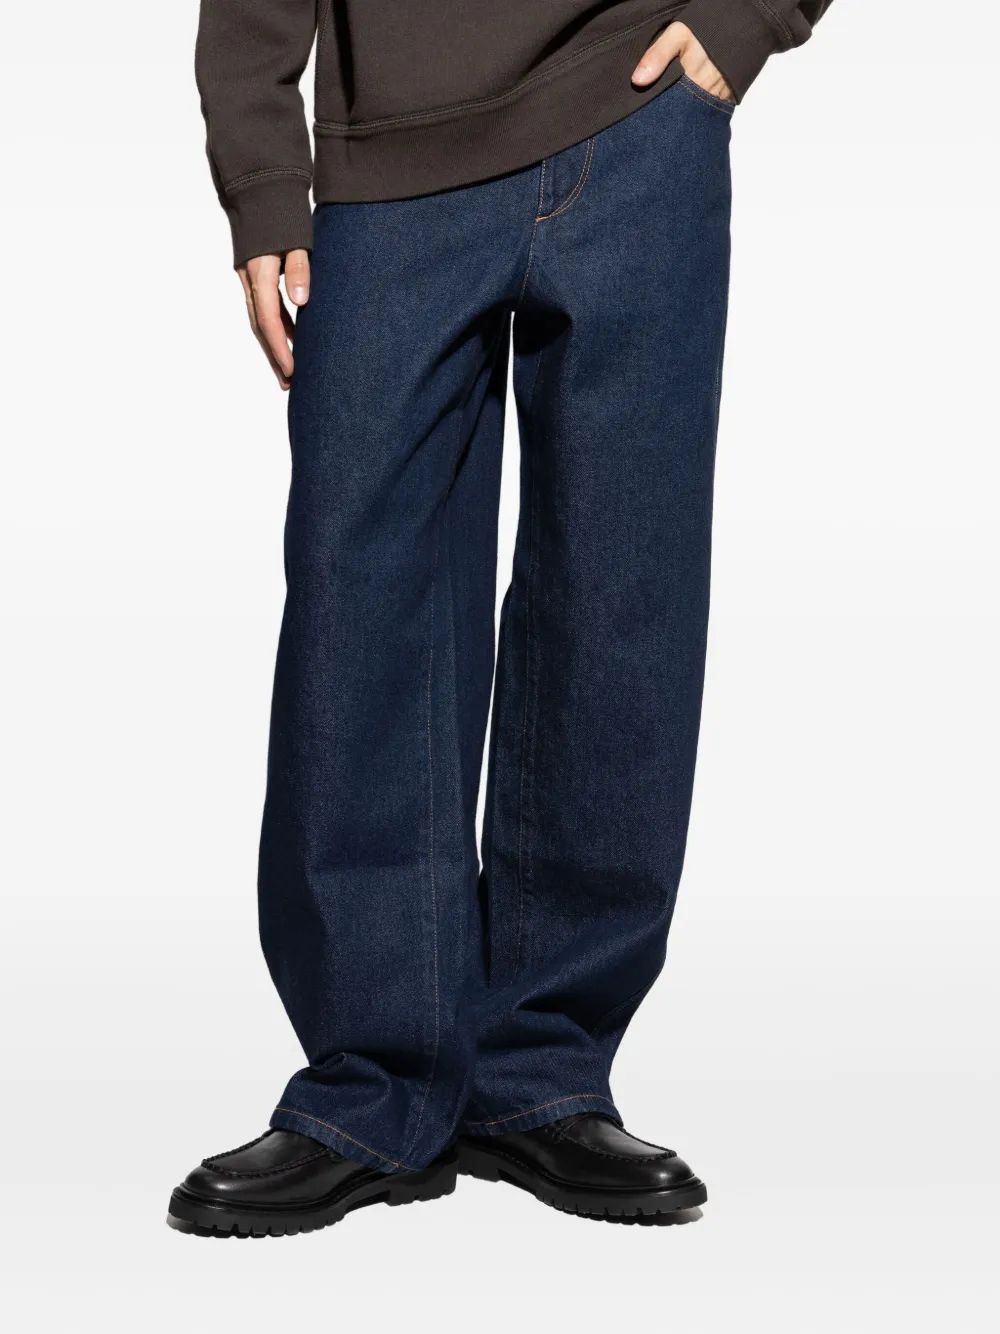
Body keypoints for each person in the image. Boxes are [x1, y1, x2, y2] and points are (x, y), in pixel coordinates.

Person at [168, 0, 832, 1238]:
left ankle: (541, 1069)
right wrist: (261, 170)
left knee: (620, 595)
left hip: (639, 117)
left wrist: (749, 14)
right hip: (386, 161)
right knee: (361, 601)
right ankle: (373, 1078)